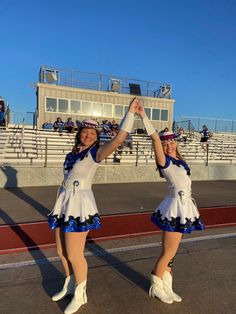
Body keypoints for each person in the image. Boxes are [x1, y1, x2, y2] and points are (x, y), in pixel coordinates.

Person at [48, 98, 139, 314]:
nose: (88, 135)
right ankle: (70, 285)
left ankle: (81, 294)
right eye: (85, 131)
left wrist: (130, 113)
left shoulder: (95, 153)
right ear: (79, 133)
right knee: (61, 251)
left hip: (80, 207)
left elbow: (118, 140)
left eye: (92, 133)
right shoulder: (72, 154)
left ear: (97, 136)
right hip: (65, 203)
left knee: (74, 254)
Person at [136, 100, 205, 305]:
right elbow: (155, 139)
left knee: (173, 253)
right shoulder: (164, 162)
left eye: (171, 142)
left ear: (176, 142)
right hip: (175, 208)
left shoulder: (180, 162)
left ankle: (167, 285)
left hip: (185, 208)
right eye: (165, 143)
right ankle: (156, 286)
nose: (168, 145)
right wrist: (144, 116)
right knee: (168, 252)